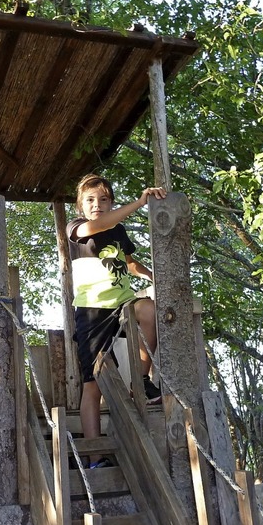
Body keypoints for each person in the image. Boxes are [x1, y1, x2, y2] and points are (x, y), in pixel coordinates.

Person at [67, 174, 165, 466]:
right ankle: (95, 457)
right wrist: (140, 202)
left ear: (111, 202)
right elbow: (99, 226)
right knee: (92, 385)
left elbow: (131, 263)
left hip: (122, 303)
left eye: (104, 199)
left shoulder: (118, 229)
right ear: (81, 205)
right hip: (92, 311)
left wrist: (152, 275)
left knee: (148, 310)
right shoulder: (77, 228)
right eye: (91, 200)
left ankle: (141, 381)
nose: (97, 205)